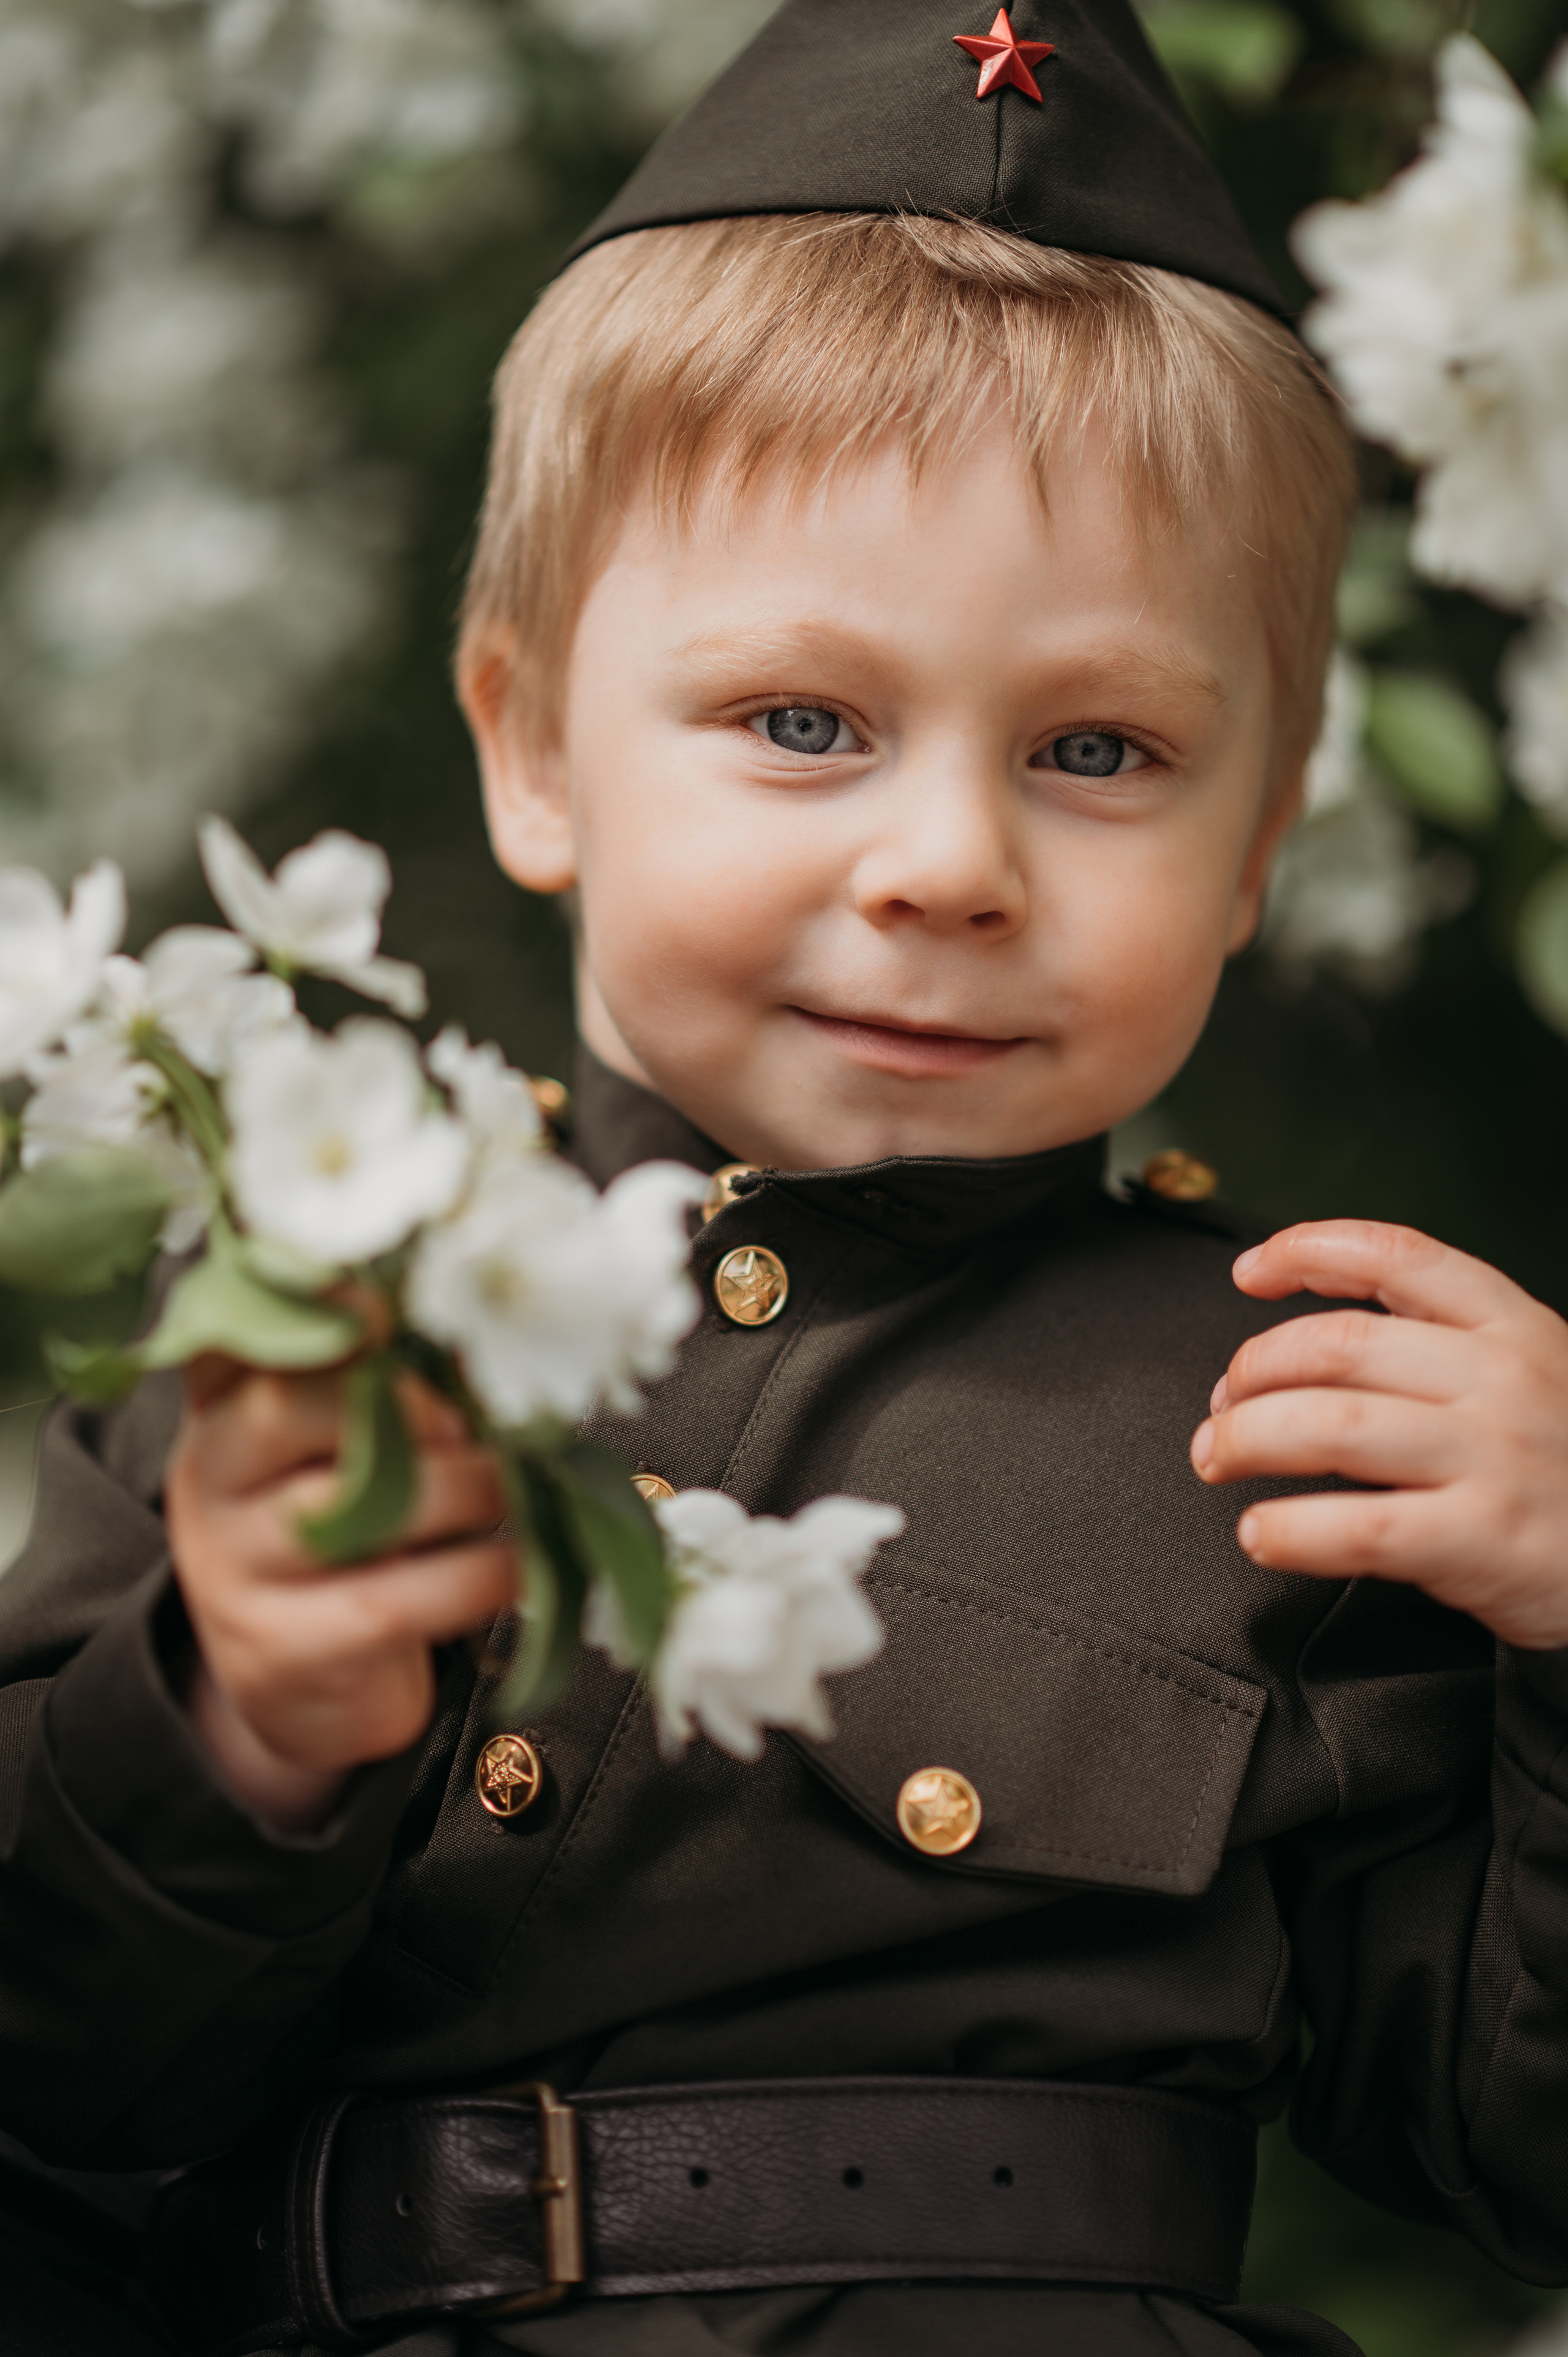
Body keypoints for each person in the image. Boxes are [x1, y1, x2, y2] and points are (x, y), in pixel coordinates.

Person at [2, 3, 1568, 2353]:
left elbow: (1524, 2152)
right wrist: (228, 1727)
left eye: (1099, 750)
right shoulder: (302, 1337)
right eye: (804, 722)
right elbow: (47, 2087)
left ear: (1261, 841)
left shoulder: (1314, 1430)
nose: (949, 861)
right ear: (535, 751)